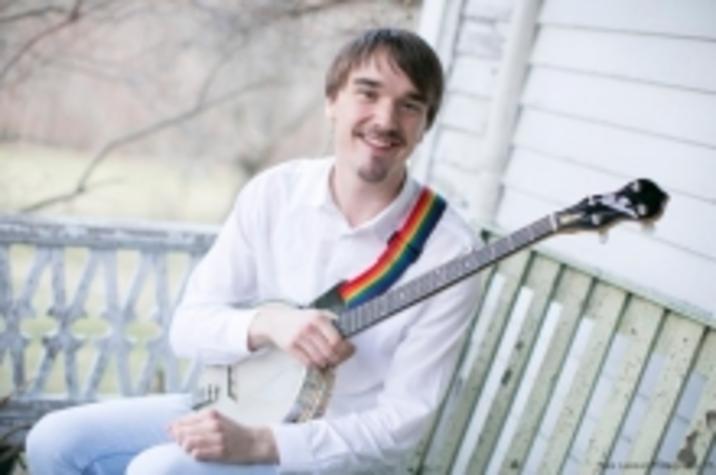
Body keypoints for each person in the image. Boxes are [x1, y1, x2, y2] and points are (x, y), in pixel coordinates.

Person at [26, 27, 481, 474]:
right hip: (240, 403)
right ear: (331, 102)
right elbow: (188, 327)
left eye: (409, 105)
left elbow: (400, 425)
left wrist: (264, 444)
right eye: (367, 93)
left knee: (160, 470)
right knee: (55, 441)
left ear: (424, 126)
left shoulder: (448, 250)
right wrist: (268, 324)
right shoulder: (275, 193)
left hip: (331, 452)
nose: (385, 119)